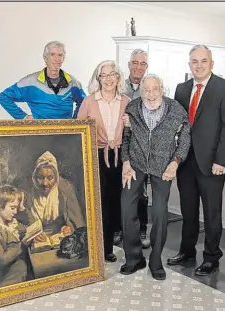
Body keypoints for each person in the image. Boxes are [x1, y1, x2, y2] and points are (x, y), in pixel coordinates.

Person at [166, 45, 225, 276]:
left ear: (212, 63)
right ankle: (187, 251)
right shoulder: (181, 88)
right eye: (194, 62)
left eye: (203, 61)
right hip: (186, 161)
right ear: (190, 65)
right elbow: (177, 124)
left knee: (211, 212)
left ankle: (211, 257)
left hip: (212, 163)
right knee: (188, 211)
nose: (199, 65)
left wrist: (221, 160)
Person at [119, 74, 191, 281]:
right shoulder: (132, 108)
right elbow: (126, 138)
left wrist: (175, 162)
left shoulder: (175, 109)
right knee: (127, 207)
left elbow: (185, 138)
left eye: (155, 90)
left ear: (162, 89)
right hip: (136, 164)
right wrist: (125, 161)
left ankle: (156, 261)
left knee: (160, 212)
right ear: (141, 92)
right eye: (146, 90)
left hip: (163, 166)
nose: (150, 95)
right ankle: (134, 258)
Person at [77, 60, 130, 262]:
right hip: (96, 156)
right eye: (104, 75)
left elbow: (133, 131)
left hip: (120, 156)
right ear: (98, 79)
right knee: (98, 203)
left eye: (112, 74)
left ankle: (107, 247)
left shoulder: (126, 101)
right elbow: (79, 131)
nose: (108, 79)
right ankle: (96, 247)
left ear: (118, 77)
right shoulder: (89, 101)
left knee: (115, 203)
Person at [0, 41, 86, 119]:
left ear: (63, 58)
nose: (56, 59)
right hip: (40, 134)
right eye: (52, 55)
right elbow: (4, 97)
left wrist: (75, 121)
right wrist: (23, 117)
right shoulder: (30, 82)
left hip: (67, 135)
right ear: (45, 58)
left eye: (60, 55)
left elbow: (84, 103)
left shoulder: (73, 83)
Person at [116, 48, 151, 249]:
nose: (138, 67)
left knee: (142, 192)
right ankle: (120, 228)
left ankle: (142, 229)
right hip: (120, 145)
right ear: (129, 64)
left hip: (143, 148)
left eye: (143, 63)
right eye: (135, 63)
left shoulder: (152, 87)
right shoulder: (119, 87)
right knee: (122, 189)